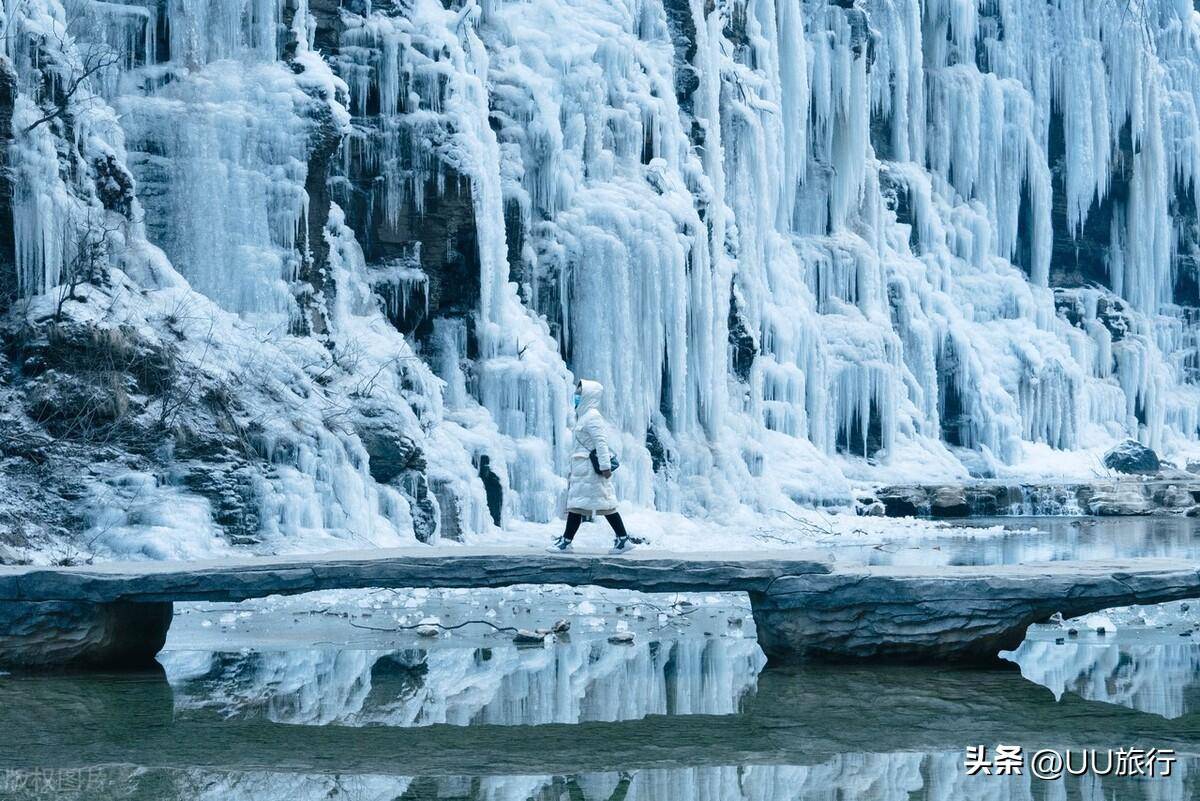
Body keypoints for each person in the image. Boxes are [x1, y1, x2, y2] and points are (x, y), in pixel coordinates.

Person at [548, 379, 635, 554]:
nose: (576, 396)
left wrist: (605, 467)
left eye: (580, 394)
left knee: (587, 505)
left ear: (589, 396)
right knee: (595, 505)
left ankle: (566, 542)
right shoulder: (585, 416)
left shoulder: (593, 416)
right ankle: (623, 539)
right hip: (583, 469)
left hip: (590, 471)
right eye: (577, 393)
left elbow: (601, 443)